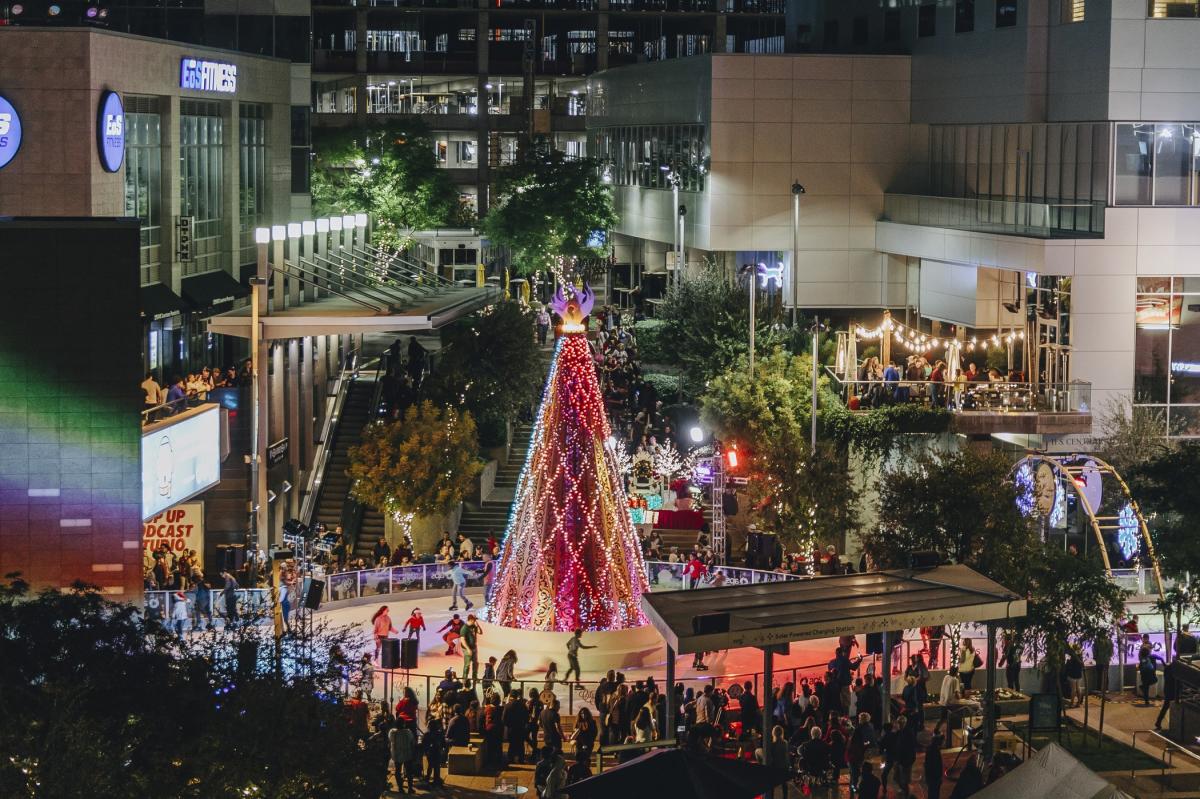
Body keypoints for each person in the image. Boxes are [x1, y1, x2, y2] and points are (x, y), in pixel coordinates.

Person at [503, 689, 531, 764]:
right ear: (517, 696)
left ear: (510, 696)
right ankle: (521, 759)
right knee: (520, 744)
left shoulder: (507, 706)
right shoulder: (522, 705)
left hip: (511, 729)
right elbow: (527, 717)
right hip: (520, 728)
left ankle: (511, 759)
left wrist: (509, 725)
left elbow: (504, 719)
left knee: (512, 744)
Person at [389, 720, 417, 794]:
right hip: (407, 754)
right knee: (409, 771)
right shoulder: (408, 732)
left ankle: (400, 788)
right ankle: (410, 788)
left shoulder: (392, 732)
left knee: (397, 771)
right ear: (404, 724)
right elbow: (413, 742)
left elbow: (390, 741)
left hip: (396, 754)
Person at [422, 717, 445, 786]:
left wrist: (426, 751)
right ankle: (436, 780)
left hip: (430, 753)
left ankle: (428, 778)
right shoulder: (440, 734)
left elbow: (423, 744)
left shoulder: (426, 734)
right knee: (437, 766)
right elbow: (443, 744)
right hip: (437, 752)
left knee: (430, 765)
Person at [1156, 659, 1179, 730]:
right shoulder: (1176, 670)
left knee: (1165, 706)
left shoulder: (1168, 668)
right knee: (1175, 707)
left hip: (1168, 689)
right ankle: (1176, 725)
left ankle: (1158, 721)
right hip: (1173, 691)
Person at [460, 614, 481, 686]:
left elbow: (480, 632)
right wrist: (468, 649)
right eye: (475, 620)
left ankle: (474, 678)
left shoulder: (474, 626)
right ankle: (464, 680)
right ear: (471, 620)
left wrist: (477, 624)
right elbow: (462, 640)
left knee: (475, 664)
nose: (475, 621)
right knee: (467, 665)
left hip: (474, 648)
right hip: (467, 649)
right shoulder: (464, 628)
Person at [925, 732, 945, 799]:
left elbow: (927, 764)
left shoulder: (930, 749)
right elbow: (937, 766)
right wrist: (939, 777)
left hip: (930, 777)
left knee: (931, 793)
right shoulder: (935, 751)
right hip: (935, 778)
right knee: (934, 794)